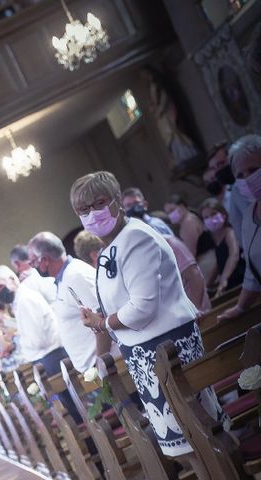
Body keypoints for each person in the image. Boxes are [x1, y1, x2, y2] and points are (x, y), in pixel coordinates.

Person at [70, 171, 227, 461]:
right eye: (83, 210)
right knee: (186, 445)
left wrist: (103, 323)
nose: (92, 213)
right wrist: (101, 317)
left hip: (166, 349)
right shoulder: (114, 243)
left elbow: (142, 307)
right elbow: (124, 297)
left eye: (99, 203)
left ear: (118, 201)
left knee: (200, 440)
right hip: (149, 355)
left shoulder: (135, 238)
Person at [0, 266, 82, 423]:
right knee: (69, 406)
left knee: (74, 406)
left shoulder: (25, 300)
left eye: (0, 287)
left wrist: (17, 338)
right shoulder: (20, 301)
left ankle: (92, 441)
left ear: (12, 279)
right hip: (48, 357)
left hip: (51, 357)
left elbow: (37, 341)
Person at [27, 231, 111, 373]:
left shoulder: (75, 276)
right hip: (92, 366)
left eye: (33, 262)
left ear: (44, 260)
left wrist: (101, 365)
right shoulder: (64, 278)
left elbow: (101, 320)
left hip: (104, 365)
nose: (32, 266)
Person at [219, 135, 261, 321]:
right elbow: (254, 272)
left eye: (253, 170)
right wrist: (240, 307)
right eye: (240, 175)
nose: (247, 178)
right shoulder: (249, 217)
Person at [202, 142, 253, 243]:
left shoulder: (250, 183)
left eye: (221, 164)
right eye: (214, 168)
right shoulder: (233, 190)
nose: (218, 170)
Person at [198, 198, 246, 296]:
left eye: (213, 214)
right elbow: (219, 261)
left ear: (223, 215)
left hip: (240, 278)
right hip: (229, 280)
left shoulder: (229, 231)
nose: (210, 219)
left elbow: (234, 255)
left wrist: (224, 279)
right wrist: (207, 285)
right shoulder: (213, 235)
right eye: (206, 217)